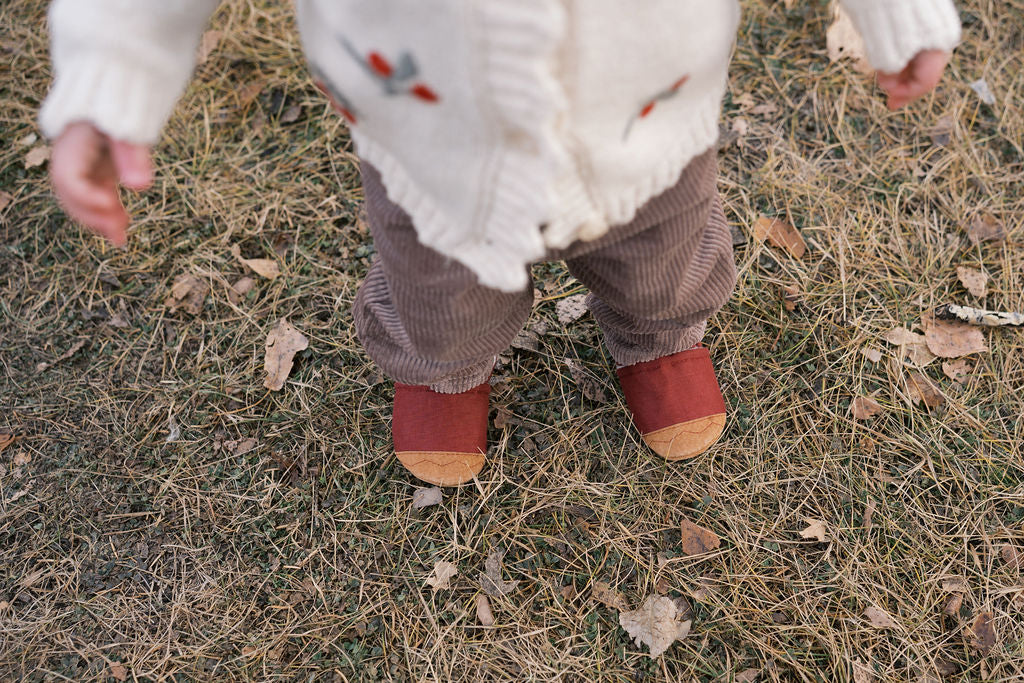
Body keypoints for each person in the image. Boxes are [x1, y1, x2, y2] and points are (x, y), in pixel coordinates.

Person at [41, 0, 961, 486]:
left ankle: (660, 334)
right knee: (438, 275)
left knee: (661, 248)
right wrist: (111, 68)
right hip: (425, 123)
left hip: (648, 103)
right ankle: (442, 365)